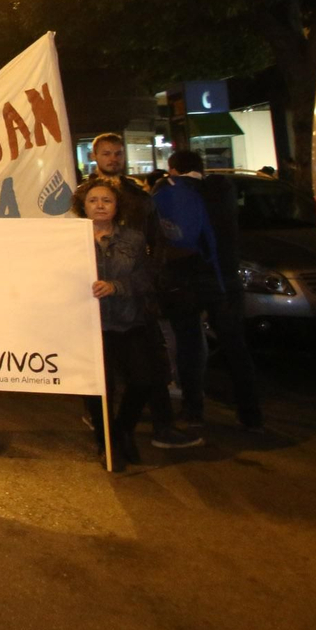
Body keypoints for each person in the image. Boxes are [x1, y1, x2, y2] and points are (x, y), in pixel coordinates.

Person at [73, 177, 203, 469]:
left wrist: (117, 286)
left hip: (128, 321)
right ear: (83, 206)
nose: (100, 206)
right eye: (93, 201)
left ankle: (122, 430)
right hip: (90, 326)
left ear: (117, 206)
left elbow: (145, 278)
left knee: (143, 379)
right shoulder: (70, 241)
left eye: (106, 200)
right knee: (99, 388)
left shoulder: (133, 239)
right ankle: (106, 445)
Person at [161, 150, 263, 430]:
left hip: (185, 282)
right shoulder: (221, 190)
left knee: (189, 346)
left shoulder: (170, 192)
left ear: (172, 170)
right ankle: (250, 412)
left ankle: (193, 410)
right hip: (223, 279)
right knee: (235, 347)